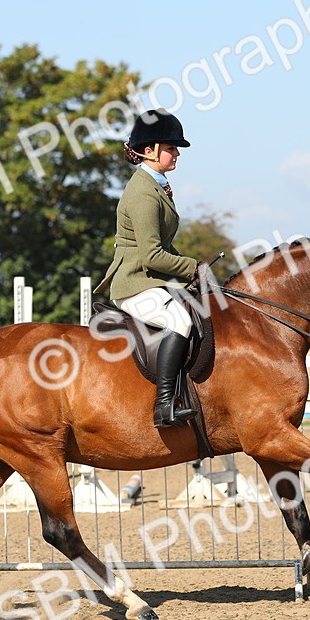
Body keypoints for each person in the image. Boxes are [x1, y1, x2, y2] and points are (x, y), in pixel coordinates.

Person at [95, 109, 199, 428]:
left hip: (152, 282)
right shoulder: (142, 192)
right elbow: (153, 255)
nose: (176, 154)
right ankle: (164, 405)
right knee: (179, 320)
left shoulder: (157, 186)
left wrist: (193, 276)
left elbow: (165, 248)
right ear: (150, 150)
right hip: (134, 285)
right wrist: (193, 267)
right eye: (170, 148)